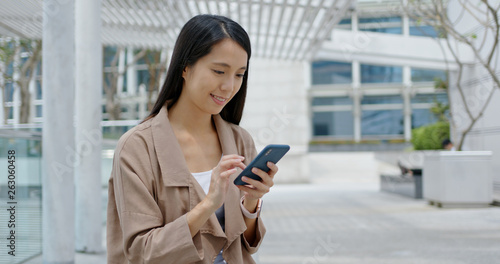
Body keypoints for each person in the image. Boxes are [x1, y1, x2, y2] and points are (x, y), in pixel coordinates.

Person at [107, 14, 278, 264]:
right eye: (219, 71)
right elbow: (142, 251)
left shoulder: (240, 141)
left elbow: (246, 246)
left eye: (240, 75)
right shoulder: (137, 147)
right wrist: (209, 203)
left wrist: (251, 202)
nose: (229, 86)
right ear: (185, 67)